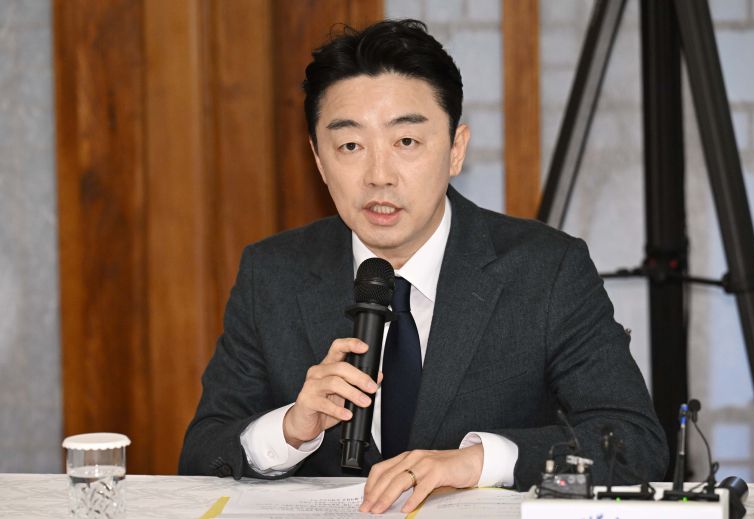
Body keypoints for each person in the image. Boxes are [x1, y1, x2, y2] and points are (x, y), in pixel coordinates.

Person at [179, 19, 667, 514]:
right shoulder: (272, 272)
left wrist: (477, 462)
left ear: (456, 149)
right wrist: (288, 431)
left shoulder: (547, 268)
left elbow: (634, 443)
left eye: (406, 142)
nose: (379, 176)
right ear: (319, 160)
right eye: (350, 146)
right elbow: (201, 452)